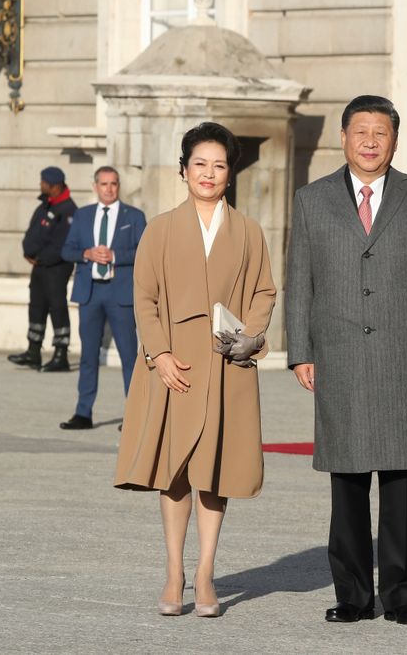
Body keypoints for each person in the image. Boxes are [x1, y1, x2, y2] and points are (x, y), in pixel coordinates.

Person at [286, 95, 407, 627]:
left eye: (380, 132)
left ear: (394, 140)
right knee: (348, 486)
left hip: (406, 359)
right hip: (338, 357)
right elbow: (300, 281)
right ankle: (353, 594)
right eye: (360, 131)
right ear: (343, 137)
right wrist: (300, 351)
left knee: (404, 486)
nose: (369, 141)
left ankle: (404, 596)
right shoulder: (311, 200)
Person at [114, 122, 277, 618]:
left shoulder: (248, 231)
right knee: (176, 471)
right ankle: (174, 571)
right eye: (200, 164)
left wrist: (252, 335)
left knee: (214, 472)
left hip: (227, 364)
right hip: (174, 365)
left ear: (231, 173)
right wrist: (159, 354)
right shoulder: (159, 228)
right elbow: (144, 298)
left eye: (220, 165)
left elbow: (265, 292)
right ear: (184, 170)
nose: (209, 173)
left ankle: (205, 572)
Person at [58, 167, 146, 430]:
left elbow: (145, 251)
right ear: (95, 186)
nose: (109, 189)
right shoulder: (82, 216)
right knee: (88, 355)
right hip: (91, 293)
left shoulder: (135, 216)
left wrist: (115, 256)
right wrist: (86, 253)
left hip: (120, 294)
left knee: (130, 355)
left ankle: (135, 415)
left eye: (114, 184)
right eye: (104, 184)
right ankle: (83, 412)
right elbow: (66, 250)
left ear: (119, 186)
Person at [7, 167, 77, 372]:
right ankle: (33, 351)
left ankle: (60, 354)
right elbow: (32, 233)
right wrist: (28, 252)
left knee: (57, 307)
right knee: (36, 306)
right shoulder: (45, 204)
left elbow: (61, 245)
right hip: (39, 268)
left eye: (43, 181)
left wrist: (39, 258)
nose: (40, 184)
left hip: (56, 269)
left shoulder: (68, 210)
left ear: (54, 185)